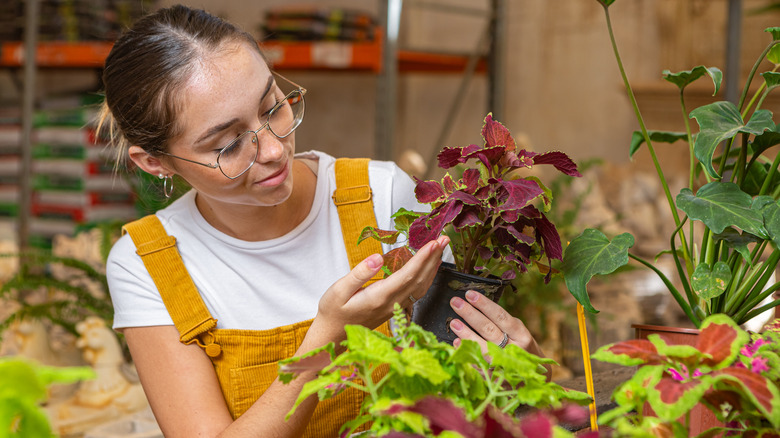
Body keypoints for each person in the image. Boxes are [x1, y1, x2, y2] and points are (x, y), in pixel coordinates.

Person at [100, 5, 548, 437]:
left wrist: (527, 373)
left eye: (272, 106)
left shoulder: (383, 196)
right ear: (155, 162)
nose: (274, 150)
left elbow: (471, 393)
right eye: (228, 144)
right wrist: (330, 339)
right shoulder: (147, 263)